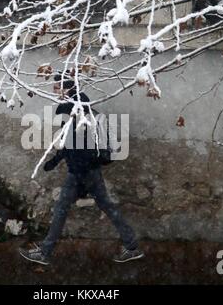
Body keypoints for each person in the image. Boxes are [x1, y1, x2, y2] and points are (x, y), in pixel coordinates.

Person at [18, 72, 144, 265]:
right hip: (88, 169)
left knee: (62, 209)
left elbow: (73, 142)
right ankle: (132, 246)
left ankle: (45, 252)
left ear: (67, 87)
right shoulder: (82, 105)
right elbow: (71, 140)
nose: (54, 90)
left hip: (81, 171)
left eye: (57, 86)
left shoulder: (71, 107)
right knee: (104, 207)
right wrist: (57, 159)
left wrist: (64, 163)